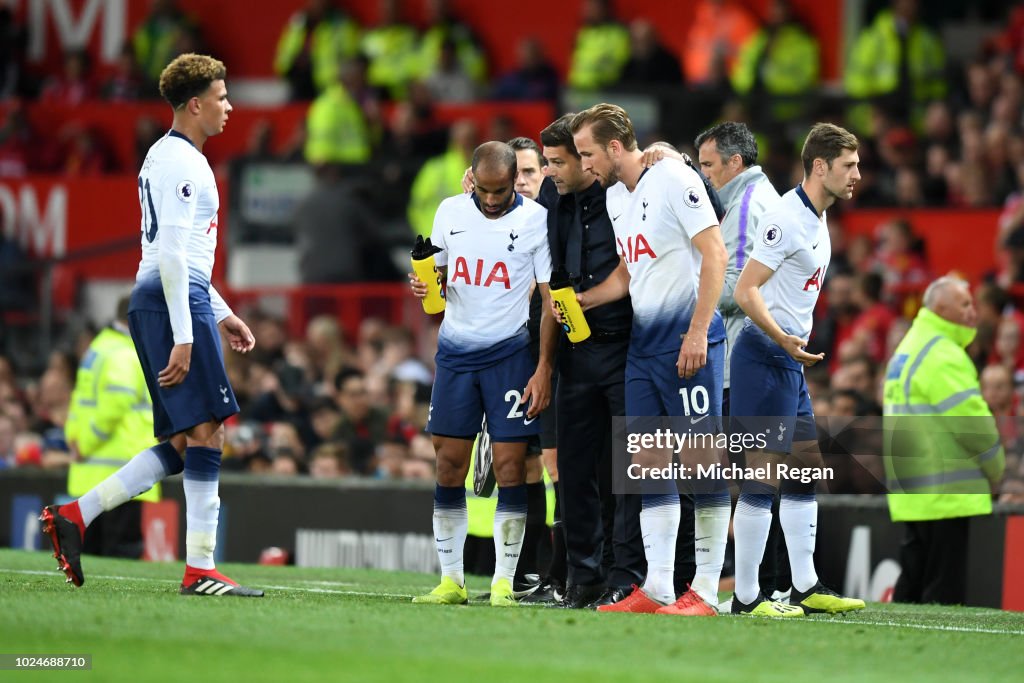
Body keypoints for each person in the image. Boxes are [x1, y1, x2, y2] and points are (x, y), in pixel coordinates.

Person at [40, 53, 262, 597]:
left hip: (166, 298)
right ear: (195, 103)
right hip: (170, 301)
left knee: (190, 440)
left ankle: (75, 514)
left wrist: (223, 311)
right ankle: (200, 570)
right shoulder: (184, 163)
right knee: (209, 432)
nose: (229, 106)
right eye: (222, 96)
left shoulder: (165, 157)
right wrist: (188, 332)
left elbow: (177, 253)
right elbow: (168, 255)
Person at [570, 103, 730, 616]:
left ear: (614, 147)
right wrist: (585, 300)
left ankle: (706, 589)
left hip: (689, 343)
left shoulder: (674, 177)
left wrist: (699, 331)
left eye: (587, 153)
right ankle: (658, 585)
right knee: (649, 468)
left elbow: (715, 253)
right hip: (643, 349)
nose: (583, 163)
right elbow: (628, 271)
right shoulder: (617, 196)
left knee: (702, 467)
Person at [409, 141, 555, 607]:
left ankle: (504, 583)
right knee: (449, 464)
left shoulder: (535, 220)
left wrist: (544, 366)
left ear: (515, 180)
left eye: (502, 190)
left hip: (511, 355)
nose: (492, 200)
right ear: (471, 178)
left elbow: (550, 300)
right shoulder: (450, 212)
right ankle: (452, 581)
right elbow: (440, 283)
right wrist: (426, 283)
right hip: (455, 354)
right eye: (485, 190)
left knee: (512, 468)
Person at [730, 122, 865, 616]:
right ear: (821, 167)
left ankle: (805, 588)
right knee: (763, 478)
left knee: (805, 473)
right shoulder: (784, 218)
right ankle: (747, 598)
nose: (857, 175)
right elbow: (746, 290)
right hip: (765, 357)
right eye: (849, 165)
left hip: (789, 360)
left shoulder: (819, 216)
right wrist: (783, 337)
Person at [695, 121, 789, 600]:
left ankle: (767, 587)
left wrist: (689, 286)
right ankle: (769, 586)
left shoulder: (747, 205)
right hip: (757, 354)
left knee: (750, 479)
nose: (704, 175)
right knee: (756, 476)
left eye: (709, 165)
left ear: (735, 163)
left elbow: (735, 286)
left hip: (742, 354)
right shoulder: (756, 200)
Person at [883, 276, 1005, 605]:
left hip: (913, 487)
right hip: (945, 491)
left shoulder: (908, 349)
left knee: (911, 588)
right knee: (941, 596)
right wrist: (996, 468)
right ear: (941, 309)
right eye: (964, 304)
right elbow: (972, 424)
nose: (973, 311)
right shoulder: (942, 353)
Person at [63, 296, 157, 559]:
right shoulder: (126, 354)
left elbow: (80, 401)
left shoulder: (98, 348)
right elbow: (114, 406)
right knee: (121, 551)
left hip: (92, 470)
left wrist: (74, 439)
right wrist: (86, 443)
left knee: (91, 552)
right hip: (122, 471)